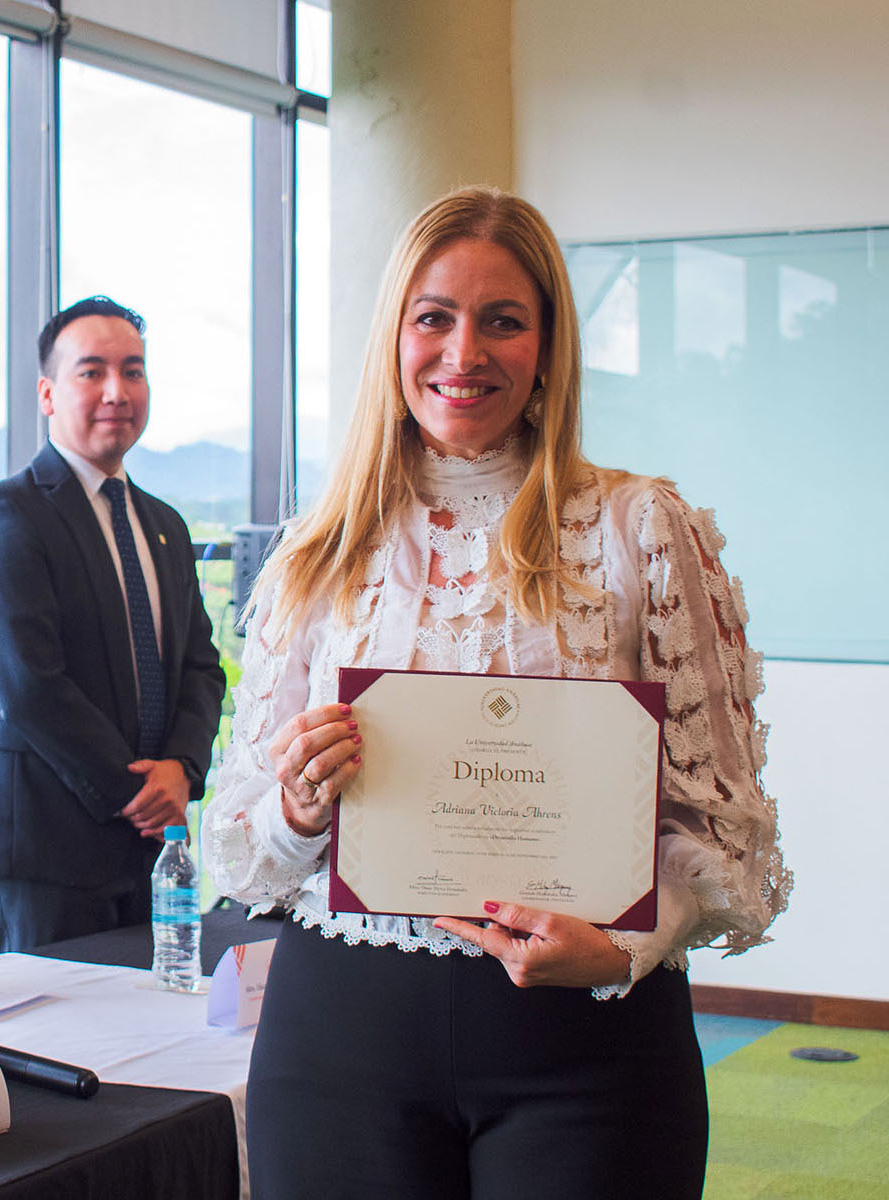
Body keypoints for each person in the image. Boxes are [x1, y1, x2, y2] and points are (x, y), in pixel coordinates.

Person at [202, 187, 790, 1198]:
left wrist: (622, 948)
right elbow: (248, 842)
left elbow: (723, 833)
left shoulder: (641, 529)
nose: (462, 352)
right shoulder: (318, 550)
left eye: (502, 321)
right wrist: (299, 806)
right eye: (433, 317)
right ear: (395, 338)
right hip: (340, 1045)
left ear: (549, 349)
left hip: (585, 1047)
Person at [0, 296, 226, 952]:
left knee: (147, 1040)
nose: (117, 390)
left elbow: (200, 666)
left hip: (153, 854)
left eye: (133, 371)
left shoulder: (164, 526)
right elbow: (30, 684)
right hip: (50, 854)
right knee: (38, 1047)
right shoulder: (5, 513)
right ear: (48, 394)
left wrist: (183, 771)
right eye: (92, 372)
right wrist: (138, 793)